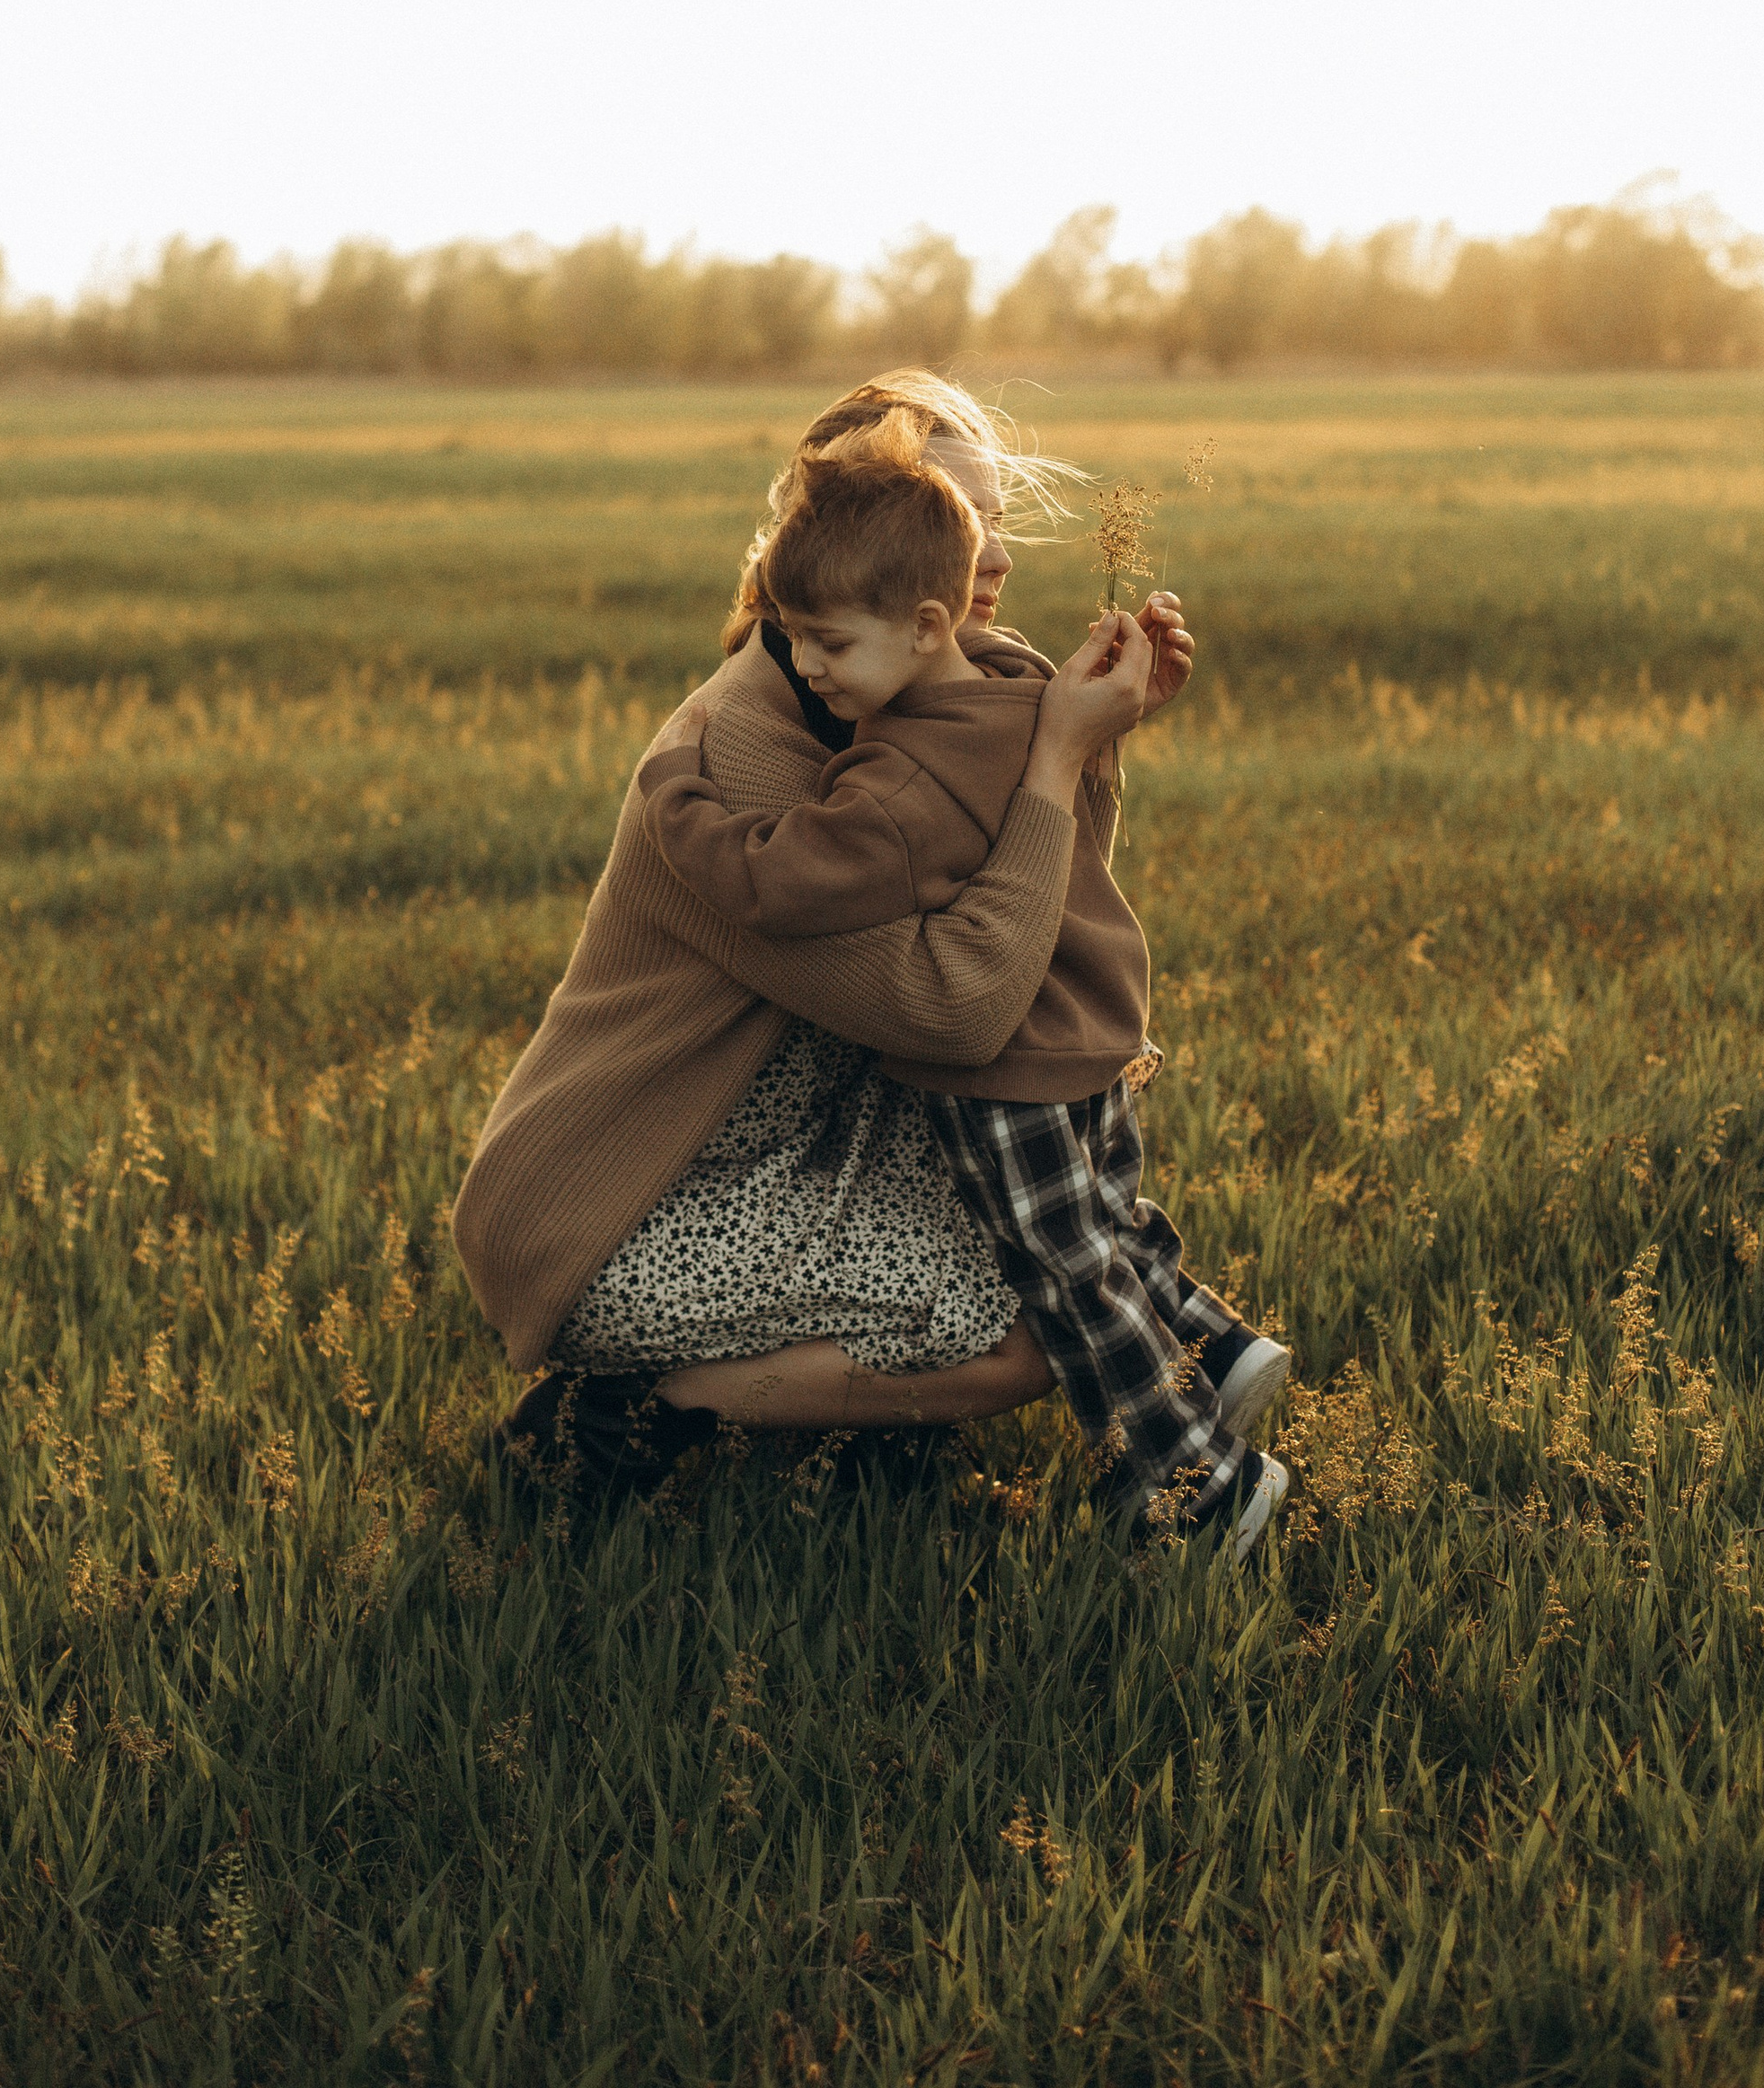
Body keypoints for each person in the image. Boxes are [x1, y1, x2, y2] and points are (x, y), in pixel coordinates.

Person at [448, 372, 1204, 1484]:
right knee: (1031, 1333)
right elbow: (962, 1009)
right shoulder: (741, 766)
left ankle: (848, 1439)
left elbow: (1043, 919)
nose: (990, 555)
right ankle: (622, 1413)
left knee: (1046, 1226)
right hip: (612, 1206)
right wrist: (1048, 754)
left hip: (775, 1141)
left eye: (992, 518)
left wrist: (1090, 741)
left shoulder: (897, 691)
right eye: (954, 517)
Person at [640, 411, 1289, 1554]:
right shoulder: (1011, 688)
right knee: (1100, 1225)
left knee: (1065, 1272)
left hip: (1011, 1055)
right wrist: (1092, 728)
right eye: (799, 639)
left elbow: (782, 879)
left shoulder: (897, 768)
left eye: (828, 643)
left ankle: (1193, 1485)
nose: (808, 666)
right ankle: (1214, 1351)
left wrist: (679, 809)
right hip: (1095, 1023)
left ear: (915, 613)